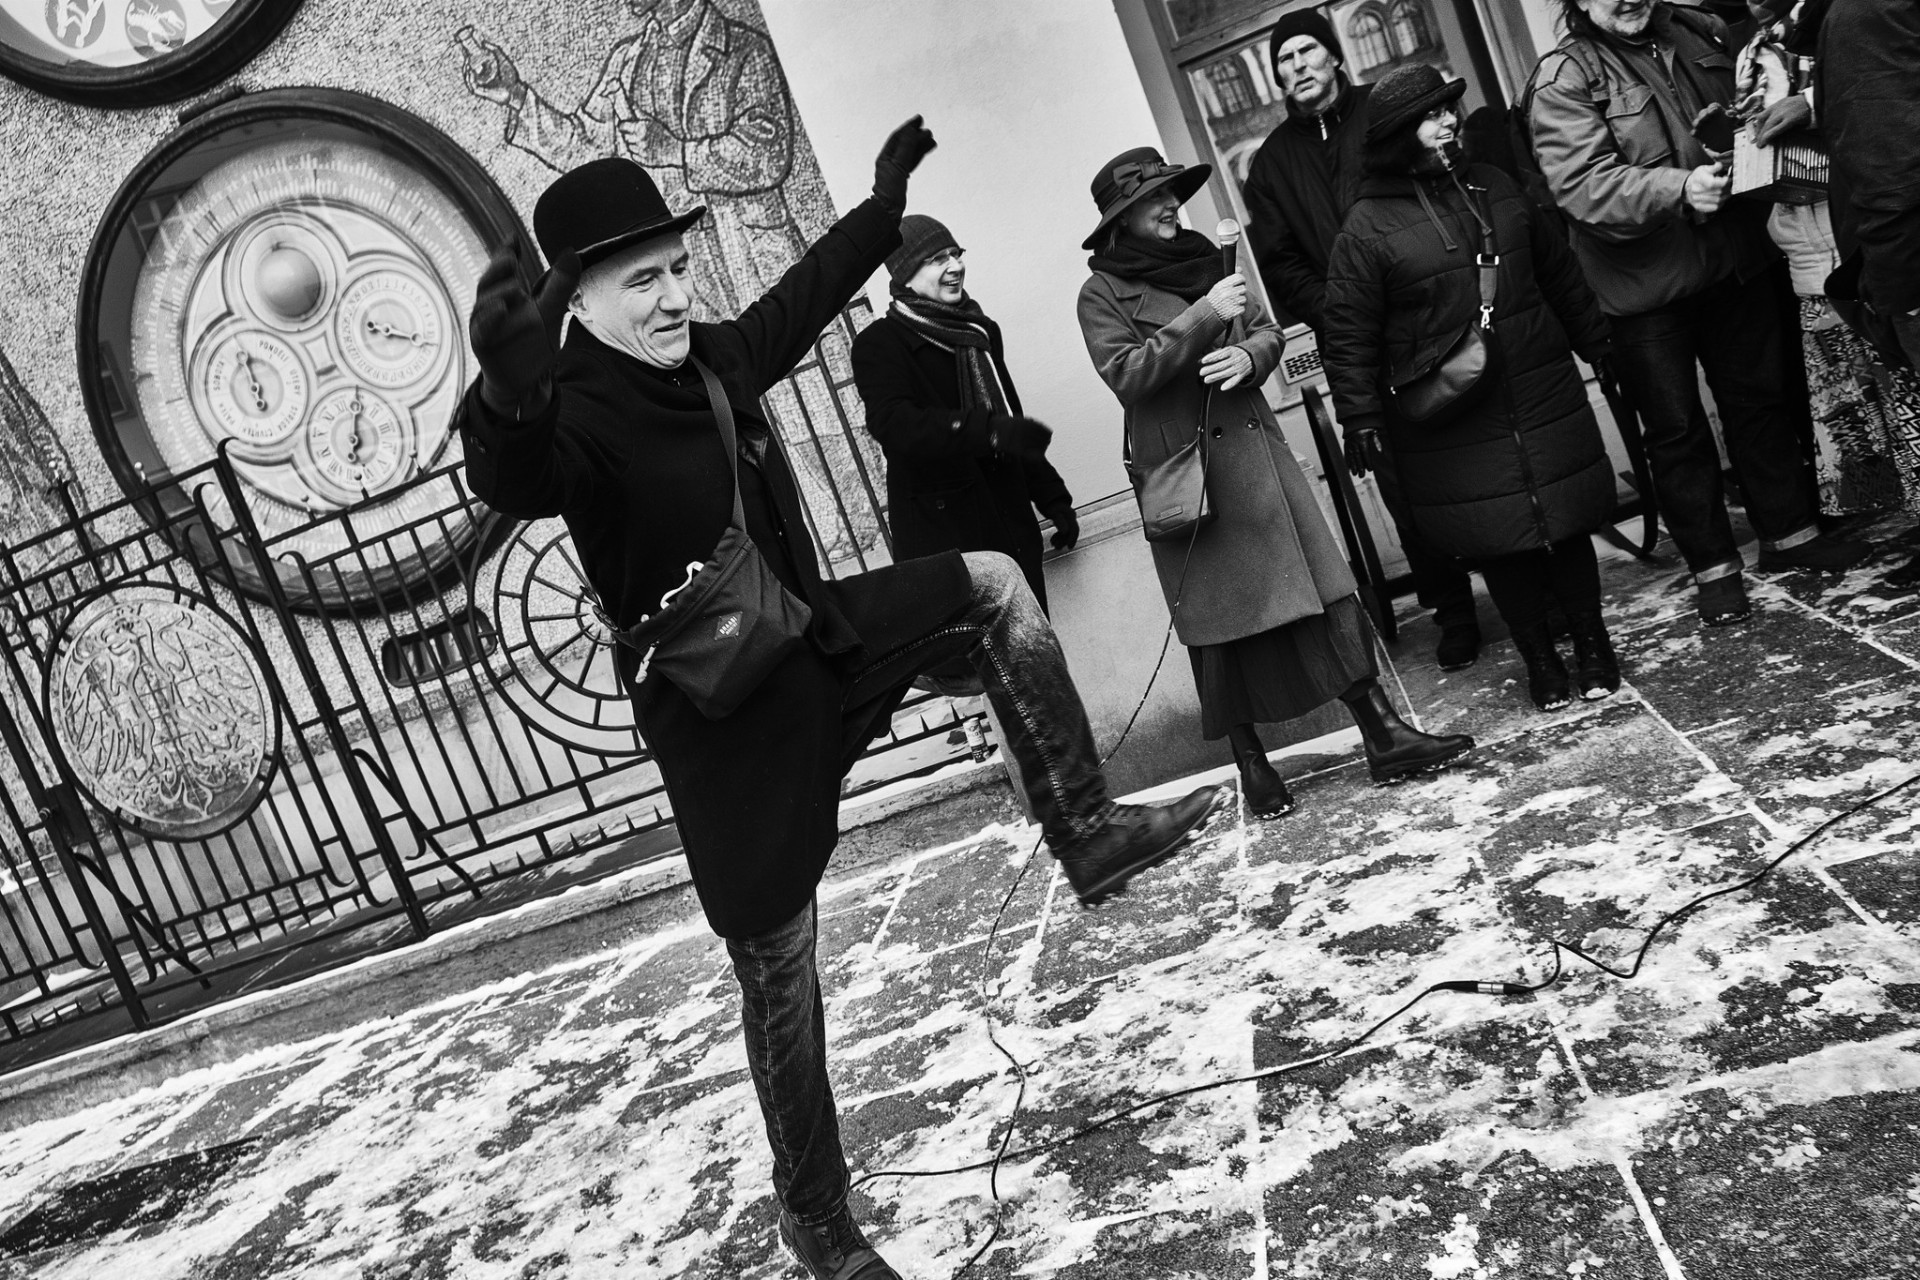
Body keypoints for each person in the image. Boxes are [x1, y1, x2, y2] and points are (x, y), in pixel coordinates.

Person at [457, 121, 1229, 1280]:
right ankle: (815, 1214)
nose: (674, 297)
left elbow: (804, 297)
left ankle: (1085, 826)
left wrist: (879, 206)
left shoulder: (710, 358)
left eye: (678, 268)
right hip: (725, 724)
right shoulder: (574, 406)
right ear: (580, 300)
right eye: (642, 281)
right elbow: (518, 473)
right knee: (781, 969)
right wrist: (508, 394)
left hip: (812, 639)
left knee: (991, 584)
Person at [1076, 146, 1474, 818]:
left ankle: (1384, 734)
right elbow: (1127, 375)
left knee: (1325, 597)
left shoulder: (1212, 259)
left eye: (1173, 193)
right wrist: (1206, 316)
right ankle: (1252, 765)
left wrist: (1248, 355)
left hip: (1257, 458)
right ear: (1121, 219)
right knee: (1220, 630)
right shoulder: (1100, 294)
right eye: (1154, 199)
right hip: (1194, 478)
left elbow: (1267, 331)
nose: (1172, 205)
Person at [1525, 0, 1871, 628]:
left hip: (1733, 259)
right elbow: (1581, 186)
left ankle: (1790, 534)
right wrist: (1678, 188)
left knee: (1760, 401)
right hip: (1643, 287)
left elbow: (1750, 112)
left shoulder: (1700, 29)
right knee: (1676, 430)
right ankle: (1714, 568)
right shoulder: (1563, 78)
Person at [1323, 66, 1622, 711]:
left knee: (1567, 520)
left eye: (1449, 110)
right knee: (1498, 539)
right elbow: (1348, 333)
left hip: (1541, 385)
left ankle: (1593, 644)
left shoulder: (1496, 184)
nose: (1449, 122)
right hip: (1456, 414)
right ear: (1399, 134)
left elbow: (1559, 273)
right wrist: (1361, 416)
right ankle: (1539, 657)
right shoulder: (1365, 227)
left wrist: (1596, 342)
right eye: (1432, 116)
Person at [1242, 10, 1487, 671]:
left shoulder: (1383, 115)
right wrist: (1343, 308)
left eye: (1307, 51)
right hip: (1358, 347)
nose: (1297, 65)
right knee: (1402, 481)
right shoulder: (1270, 165)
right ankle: (1453, 610)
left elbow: (1435, 193)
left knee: (1472, 453)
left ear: (1334, 56)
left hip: (1432, 318)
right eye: (1284, 58)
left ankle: (1513, 574)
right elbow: (1280, 263)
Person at [1740, 0, 1919, 525]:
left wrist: (1898, 293)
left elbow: (1886, 151)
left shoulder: (1855, 16)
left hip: (1886, 254)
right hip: (1825, 255)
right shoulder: (1761, 46)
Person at [850, 215, 1077, 614]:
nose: (955, 266)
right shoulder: (880, 344)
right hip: (947, 543)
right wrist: (985, 430)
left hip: (1011, 528)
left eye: (956, 254)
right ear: (905, 272)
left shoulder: (979, 330)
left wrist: (1053, 499)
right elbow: (895, 424)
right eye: (938, 259)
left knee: (1031, 646)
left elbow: (1009, 419)